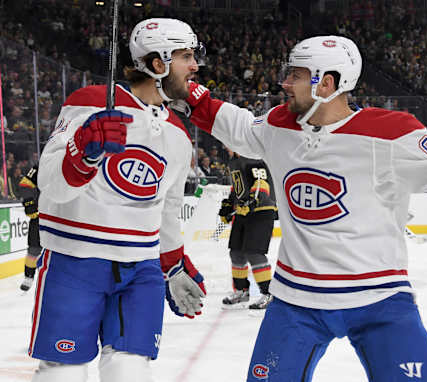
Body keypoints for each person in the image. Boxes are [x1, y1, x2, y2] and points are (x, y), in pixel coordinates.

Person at [179, 35, 427, 381]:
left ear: (327, 83)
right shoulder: (278, 124)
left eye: (296, 75)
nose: (285, 83)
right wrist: (184, 89)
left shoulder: (391, 133)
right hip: (296, 299)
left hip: (380, 298)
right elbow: (238, 125)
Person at [30, 18, 206, 382]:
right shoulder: (92, 102)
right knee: (63, 373)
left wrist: (172, 266)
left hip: (141, 269)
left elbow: (167, 212)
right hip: (75, 261)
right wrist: (84, 153)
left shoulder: (178, 134)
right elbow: (50, 183)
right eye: (186, 56)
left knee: (131, 370)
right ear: (158, 64)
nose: (195, 66)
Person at [219, 150, 277, 310]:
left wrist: (253, 201)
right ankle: (241, 291)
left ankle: (267, 293)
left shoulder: (253, 157)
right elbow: (238, 187)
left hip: (262, 210)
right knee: (236, 252)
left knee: (254, 252)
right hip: (243, 212)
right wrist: (229, 204)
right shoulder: (235, 162)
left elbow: (262, 182)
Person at [18, 164, 41, 291]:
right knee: (34, 248)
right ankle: (29, 276)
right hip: (41, 216)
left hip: (62, 216)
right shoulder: (40, 165)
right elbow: (26, 184)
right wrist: (29, 203)